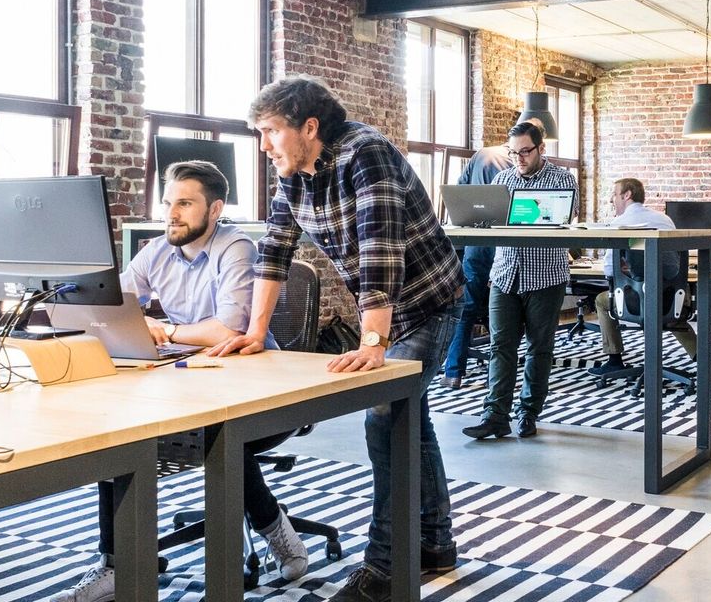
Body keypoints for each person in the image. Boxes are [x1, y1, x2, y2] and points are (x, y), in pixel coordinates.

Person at [211, 76, 460, 602]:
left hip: (428, 301)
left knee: (386, 417)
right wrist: (255, 331)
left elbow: (379, 250)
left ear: (309, 126)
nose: (264, 145)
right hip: (389, 308)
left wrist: (373, 339)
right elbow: (275, 250)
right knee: (410, 421)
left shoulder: (365, 155)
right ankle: (436, 544)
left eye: (271, 131)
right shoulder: (293, 174)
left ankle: (387, 567)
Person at [52, 160, 307, 602]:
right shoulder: (157, 251)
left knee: (222, 431)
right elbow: (113, 302)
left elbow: (226, 329)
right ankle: (119, 564)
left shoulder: (236, 248)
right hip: (187, 378)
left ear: (215, 209)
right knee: (114, 434)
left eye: (185, 203)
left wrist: (164, 330)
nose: (172, 213)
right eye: (169, 202)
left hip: (260, 388)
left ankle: (272, 527)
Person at [464, 118, 577, 441]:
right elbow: (497, 221)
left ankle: (528, 413)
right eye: (513, 153)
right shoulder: (502, 179)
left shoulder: (561, 180)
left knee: (539, 348)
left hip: (545, 276)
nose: (519, 160)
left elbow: (559, 217)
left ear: (541, 148)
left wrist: (522, 213)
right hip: (504, 275)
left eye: (525, 152)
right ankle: (495, 415)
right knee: (501, 346)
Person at [586, 178, 711, 381]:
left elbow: (609, 270)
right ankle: (706, 363)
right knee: (667, 308)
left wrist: (627, 270)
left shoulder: (618, 224)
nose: (612, 200)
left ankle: (614, 360)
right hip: (672, 296)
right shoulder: (664, 219)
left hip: (636, 300)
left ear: (627, 195)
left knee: (601, 300)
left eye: (614, 194)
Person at [441, 144, 511, 389]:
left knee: (467, 307)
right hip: (508, 242)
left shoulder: (481, 155)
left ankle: (453, 372)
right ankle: (499, 375)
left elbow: (458, 193)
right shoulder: (516, 164)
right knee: (506, 306)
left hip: (477, 240)